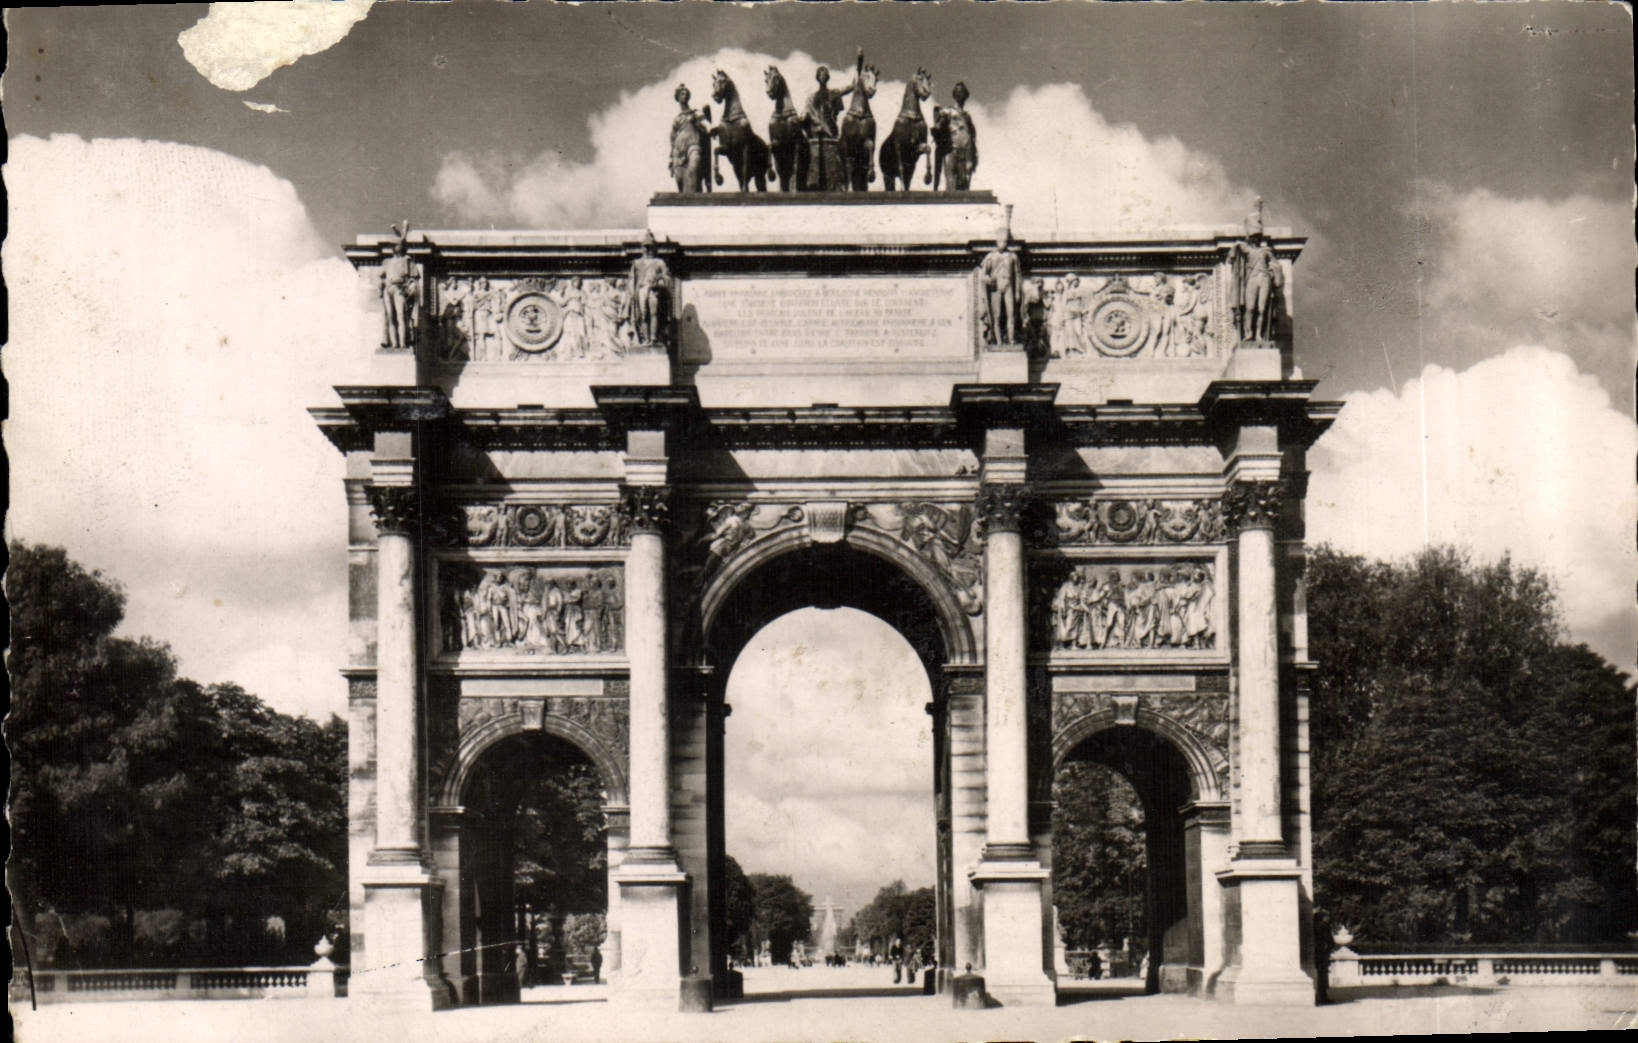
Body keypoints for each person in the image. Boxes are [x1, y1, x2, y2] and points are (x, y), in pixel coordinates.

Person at [627, 232, 673, 347]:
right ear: (642, 248)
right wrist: (632, 293)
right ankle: (645, 338)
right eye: (646, 247)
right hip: (641, 289)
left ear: (654, 247)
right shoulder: (637, 263)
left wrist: (659, 282)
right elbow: (632, 280)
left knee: (654, 313)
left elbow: (667, 276)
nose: (648, 249)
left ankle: (653, 338)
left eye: (650, 246)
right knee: (643, 314)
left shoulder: (659, 262)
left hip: (654, 290)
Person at [980, 234, 1022, 344]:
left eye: (1005, 241)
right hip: (996, 286)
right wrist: (990, 280)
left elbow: (1017, 275)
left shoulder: (1013, 256)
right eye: (1000, 241)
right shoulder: (990, 256)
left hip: (1008, 285)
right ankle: (998, 341)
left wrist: (1017, 291)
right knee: (997, 315)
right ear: (996, 242)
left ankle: (1011, 340)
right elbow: (983, 275)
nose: (1002, 244)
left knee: (1011, 314)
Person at [669, 84, 712, 193]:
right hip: (678, 152)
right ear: (678, 97)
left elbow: (707, 121)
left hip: (693, 146)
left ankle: (694, 200)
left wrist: (706, 113)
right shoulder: (677, 119)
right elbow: (673, 138)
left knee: (693, 170)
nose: (685, 96)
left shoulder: (695, 113)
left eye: (686, 94)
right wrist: (671, 157)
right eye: (682, 94)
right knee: (680, 179)